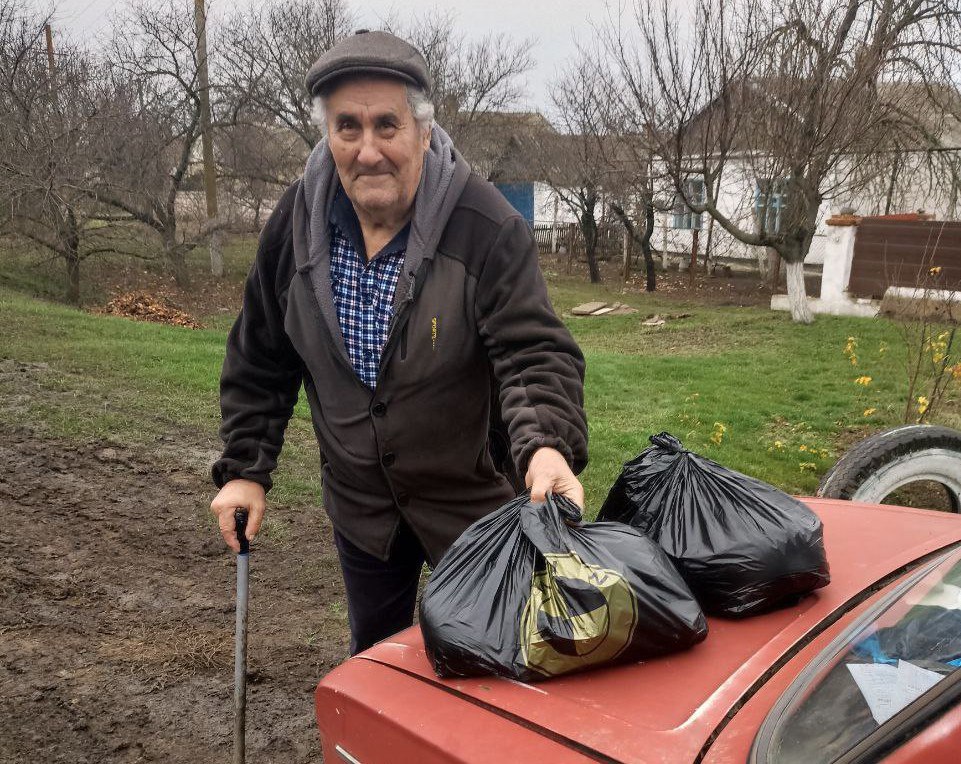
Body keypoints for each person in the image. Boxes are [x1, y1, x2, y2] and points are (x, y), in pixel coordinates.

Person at [209, 30, 588, 655]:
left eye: (387, 125)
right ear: (327, 135)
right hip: (362, 507)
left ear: (423, 131)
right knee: (377, 663)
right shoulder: (293, 226)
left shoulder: (485, 225)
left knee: (497, 660)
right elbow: (262, 356)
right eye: (347, 127)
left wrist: (545, 446)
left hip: (472, 505)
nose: (368, 150)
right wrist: (247, 467)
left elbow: (530, 351)